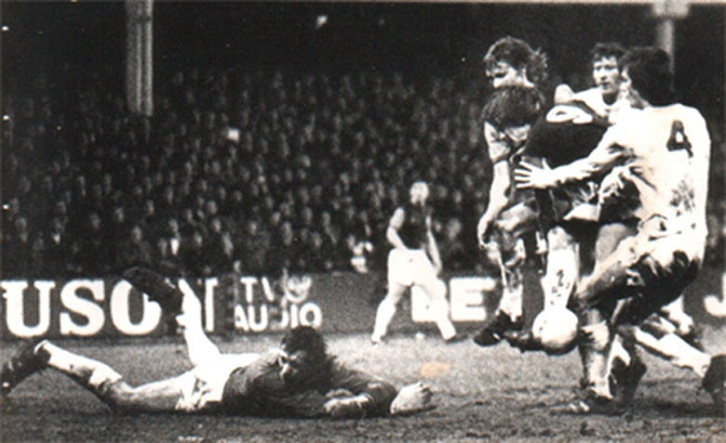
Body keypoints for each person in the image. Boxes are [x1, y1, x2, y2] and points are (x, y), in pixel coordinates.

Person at [515, 47, 724, 415]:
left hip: (656, 246)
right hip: (693, 248)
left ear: (638, 86)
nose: (621, 86)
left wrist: (547, 177)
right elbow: (666, 164)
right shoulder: (694, 119)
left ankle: (597, 390)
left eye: (626, 79)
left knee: (588, 297)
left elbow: (587, 167)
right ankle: (704, 367)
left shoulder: (631, 127)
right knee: (627, 320)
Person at [1, 267, 435, 418]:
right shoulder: (275, 382)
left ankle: (181, 306)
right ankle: (46, 352)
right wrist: (386, 407)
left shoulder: (323, 365)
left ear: (314, 361)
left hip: (228, 366)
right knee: (125, 399)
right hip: (212, 390)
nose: (287, 369)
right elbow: (331, 412)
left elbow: (375, 383)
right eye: (285, 362)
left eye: (293, 366)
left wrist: (386, 396)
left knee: (201, 344)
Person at [472, 36, 549, 346]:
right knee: (504, 228)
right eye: (491, 77)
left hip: (572, 192)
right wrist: (489, 213)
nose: (495, 84)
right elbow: (502, 180)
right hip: (540, 200)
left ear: (522, 68)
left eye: (501, 74)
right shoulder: (494, 118)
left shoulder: (551, 104)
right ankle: (512, 311)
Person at [371, 181, 463, 344]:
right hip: (402, 256)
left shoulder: (425, 212)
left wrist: (436, 259)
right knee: (394, 296)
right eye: (417, 190)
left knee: (436, 293)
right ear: (411, 192)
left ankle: (449, 334)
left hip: (419, 257)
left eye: (423, 190)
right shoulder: (402, 210)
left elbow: (428, 236)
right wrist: (404, 251)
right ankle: (377, 335)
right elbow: (391, 232)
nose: (420, 193)